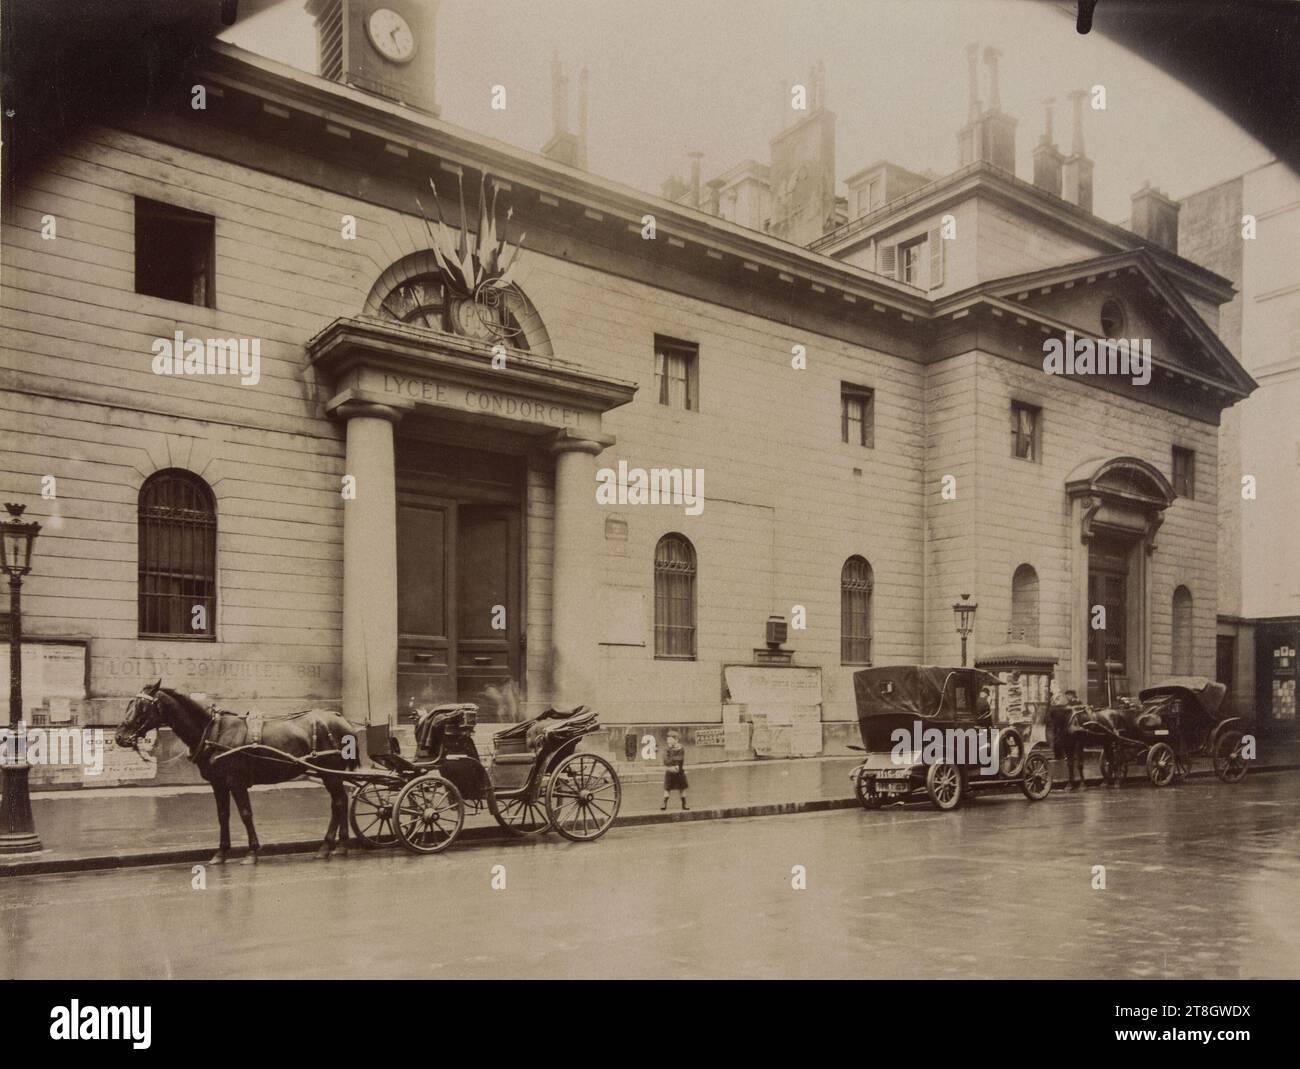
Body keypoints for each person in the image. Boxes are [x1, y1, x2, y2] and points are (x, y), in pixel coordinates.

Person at [661, 729, 688, 810]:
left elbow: (680, 758)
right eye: (668, 739)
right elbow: (665, 760)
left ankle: (684, 804)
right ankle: (664, 804)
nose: (668, 741)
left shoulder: (681, 748)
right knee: (667, 788)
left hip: (679, 771)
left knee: (682, 788)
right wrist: (672, 765)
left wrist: (672, 761)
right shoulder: (666, 749)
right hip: (670, 771)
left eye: (670, 739)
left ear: (676, 740)